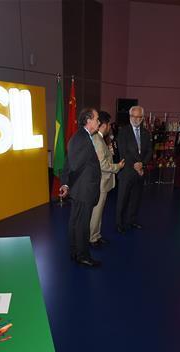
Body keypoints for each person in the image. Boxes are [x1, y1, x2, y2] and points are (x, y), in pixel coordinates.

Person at [58, 108, 101, 266]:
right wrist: (69, 184)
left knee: (76, 222)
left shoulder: (82, 136)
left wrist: (66, 184)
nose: (99, 122)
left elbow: (69, 162)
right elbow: (75, 165)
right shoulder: (82, 138)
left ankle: (75, 252)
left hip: (80, 189)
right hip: (84, 190)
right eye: (96, 119)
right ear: (88, 120)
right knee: (82, 225)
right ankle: (83, 256)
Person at [116, 105, 153, 231]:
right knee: (122, 199)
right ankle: (119, 224)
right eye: (133, 116)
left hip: (140, 171)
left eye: (139, 117)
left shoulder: (146, 133)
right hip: (127, 171)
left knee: (136, 199)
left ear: (142, 118)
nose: (136, 119)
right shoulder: (123, 131)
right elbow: (123, 152)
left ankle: (132, 221)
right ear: (130, 116)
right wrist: (136, 165)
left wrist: (142, 164)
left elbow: (149, 151)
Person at [91, 110, 124, 246]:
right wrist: (117, 167)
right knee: (97, 212)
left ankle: (96, 235)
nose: (110, 127)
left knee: (98, 211)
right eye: (109, 124)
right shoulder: (98, 140)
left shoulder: (99, 139)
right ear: (104, 125)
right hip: (101, 182)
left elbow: (103, 158)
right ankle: (93, 238)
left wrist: (109, 154)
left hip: (100, 182)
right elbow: (102, 165)